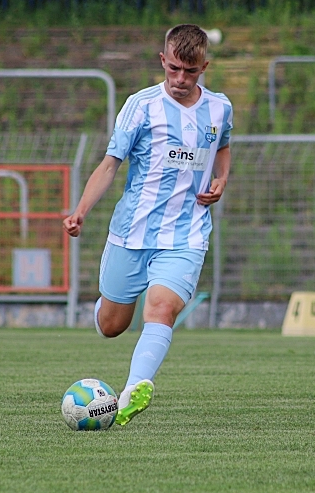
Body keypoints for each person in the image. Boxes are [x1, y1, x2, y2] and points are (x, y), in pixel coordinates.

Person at [62, 24, 233, 426]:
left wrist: (221, 180)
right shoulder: (141, 106)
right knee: (111, 325)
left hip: (186, 235)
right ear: (162, 61)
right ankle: (108, 306)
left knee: (162, 308)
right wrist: (81, 210)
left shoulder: (220, 108)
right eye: (174, 68)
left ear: (204, 67)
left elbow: (223, 146)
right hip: (132, 233)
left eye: (190, 72)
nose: (180, 79)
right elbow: (109, 165)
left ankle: (131, 392)